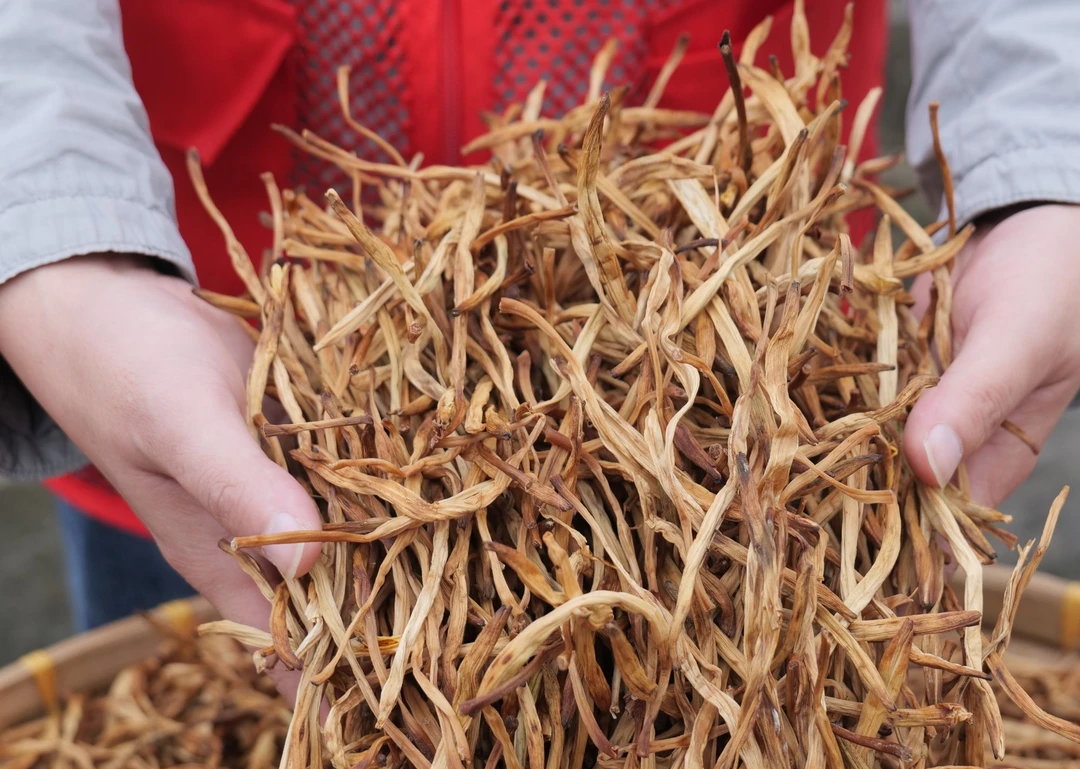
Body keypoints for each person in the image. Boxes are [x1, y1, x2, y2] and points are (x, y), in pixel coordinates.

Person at [0, 0, 1076, 643]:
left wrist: (1045, 162)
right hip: (204, 377)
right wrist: (59, 241)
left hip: (758, 382)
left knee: (792, 650)